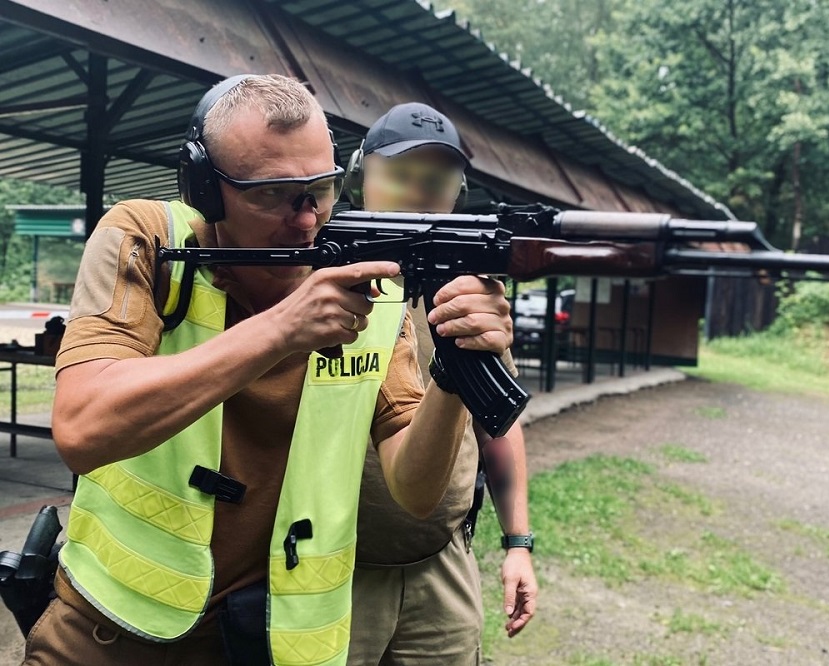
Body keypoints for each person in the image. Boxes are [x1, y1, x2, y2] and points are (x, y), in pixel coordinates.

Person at [21, 75, 513, 666]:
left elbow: (414, 489)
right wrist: (284, 327)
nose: (306, 220)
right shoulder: (148, 238)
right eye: (273, 195)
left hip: (263, 639)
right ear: (207, 189)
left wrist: (454, 376)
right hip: (108, 630)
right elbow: (82, 428)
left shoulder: (367, 280)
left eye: (321, 190)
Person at [343, 102, 538, 666]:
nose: (418, 192)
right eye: (399, 175)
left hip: (441, 565)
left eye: (437, 180)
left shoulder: (468, 292)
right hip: (331, 565)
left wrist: (518, 544)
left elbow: (497, 420)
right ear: (361, 179)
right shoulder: (319, 280)